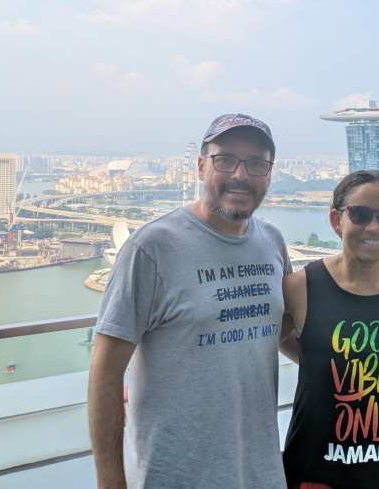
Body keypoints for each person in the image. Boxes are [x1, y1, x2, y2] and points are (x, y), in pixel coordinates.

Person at [88, 113, 291, 489]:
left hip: (260, 474)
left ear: (269, 172)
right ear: (201, 166)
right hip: (174, 476)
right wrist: (110, 482)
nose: (240, 175)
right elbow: (105, 370)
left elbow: (289, 333)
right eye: (225, 159)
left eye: (257, 163)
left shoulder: (272, 243)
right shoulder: (151, 248)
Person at [281, 170, 379, 488]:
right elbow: (276, 338)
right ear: (336, 219)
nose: (374, 227)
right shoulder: (300, 288)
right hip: (319, 475)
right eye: (361, 214)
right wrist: (320, 366)